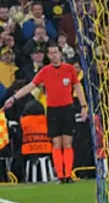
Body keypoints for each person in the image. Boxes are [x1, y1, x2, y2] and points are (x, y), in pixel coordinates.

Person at [3, 43, 88, 183]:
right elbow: (30, 86)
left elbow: (78, 87)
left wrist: (84, 106)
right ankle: (60, 175)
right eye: (51, 53)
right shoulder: (45, 71)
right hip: (53, 110)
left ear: (60, 54)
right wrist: (13, 98)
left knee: (67, 143)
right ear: (48, 55)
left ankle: (68, 174)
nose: (54, 56)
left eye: (56, 52)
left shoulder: (69, 69)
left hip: (67, 108)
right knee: (56, 143)